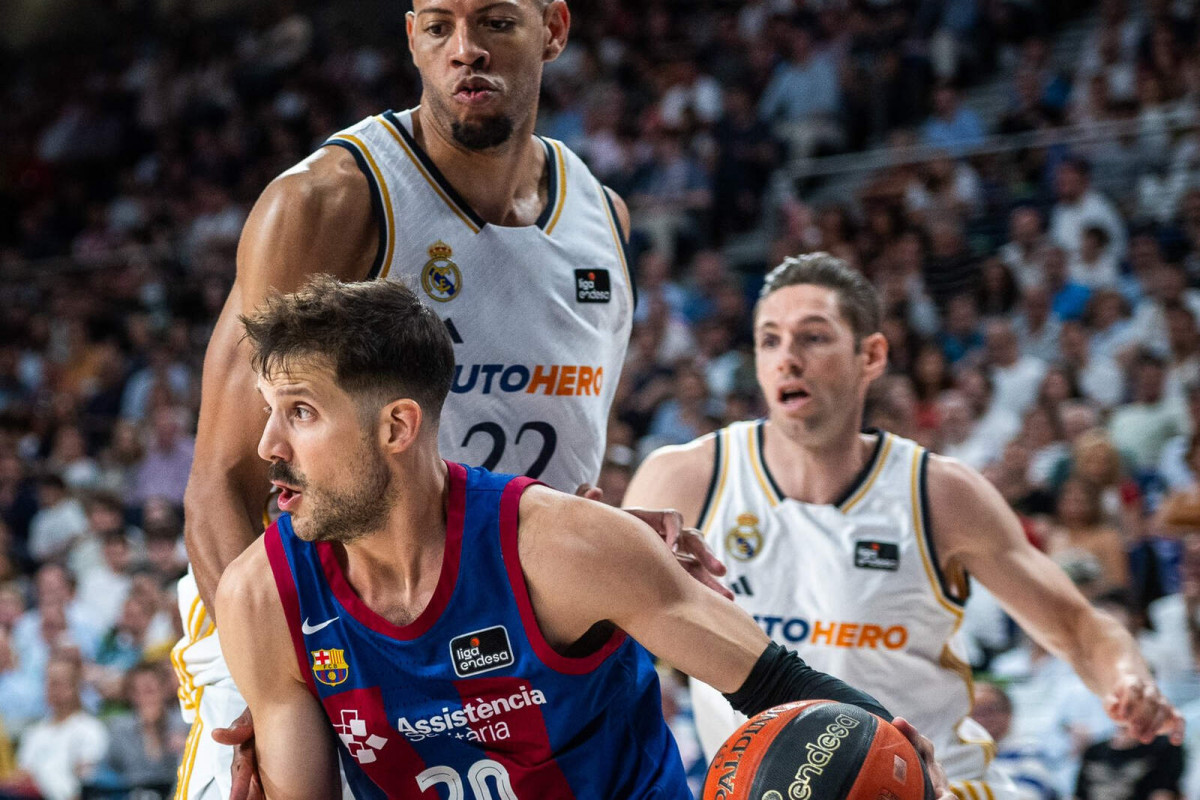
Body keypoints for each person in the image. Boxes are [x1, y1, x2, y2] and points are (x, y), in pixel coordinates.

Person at [175, 1, 722, 797]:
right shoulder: (330, 201)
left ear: (554, 30)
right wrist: (270, 684)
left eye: (495, 22)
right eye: (439, 26)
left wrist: (609, 541)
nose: (466, 50)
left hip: (492, 631)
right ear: (412, 38)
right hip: (314, 632)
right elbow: (221, 480)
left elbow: (522, 468)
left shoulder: (603, 218)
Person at [215, 275, 946, 799]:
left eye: (300, 412)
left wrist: (903, 760)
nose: (268, 445)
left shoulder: (561, 549)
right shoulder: (261, 598)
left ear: (397, 427)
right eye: (269, 410)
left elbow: (778, 685)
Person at [624, 253, 1185, 800]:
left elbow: (1077, 625)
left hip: (932, 784)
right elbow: (610, 641)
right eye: (769, 340)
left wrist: (1127, 680)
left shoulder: (939, 492)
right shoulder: (684, 478)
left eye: (813, 337)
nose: (786, 358)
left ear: (870, 355)